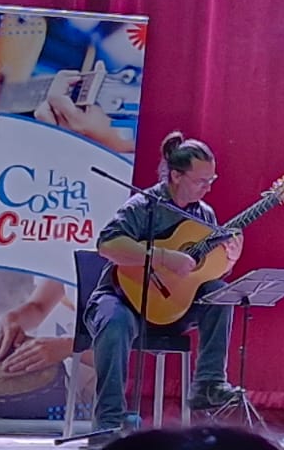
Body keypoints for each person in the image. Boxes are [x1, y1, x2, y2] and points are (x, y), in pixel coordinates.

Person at [83, 132, 244, 442]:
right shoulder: (144, 205)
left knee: (220, 292)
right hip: (123, 298)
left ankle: (208, 384)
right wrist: (161, 257)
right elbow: (107, 244)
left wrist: (231, 258)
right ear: (175, 176)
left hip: (172, 306)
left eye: (212, 179)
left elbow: (204, 273)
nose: (208, 187)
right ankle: (108, 424)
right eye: (201, 180)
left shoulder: (204, 214)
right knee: (114, 323)